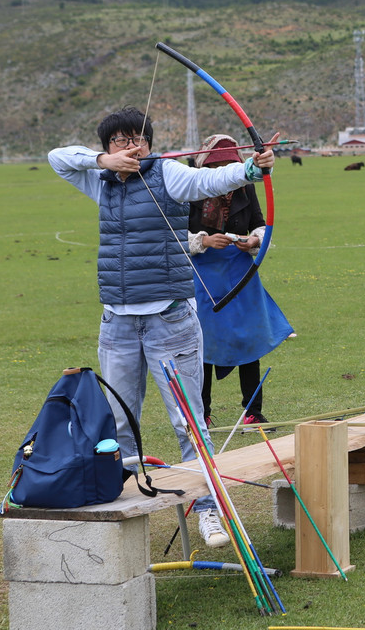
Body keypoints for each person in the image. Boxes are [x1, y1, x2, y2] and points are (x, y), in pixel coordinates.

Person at [48, 106, 276, 548]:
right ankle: (118, 510)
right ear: (107, 147)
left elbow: (211, 180)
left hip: (170, 319)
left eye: (138, 139)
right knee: (116, 420)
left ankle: (206, 507)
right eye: (119, 141)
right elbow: (58, 157)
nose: (130, 147)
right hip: (116, 321)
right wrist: (102, 162)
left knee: (188, 420)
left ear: (150, 144)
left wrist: (251, 167)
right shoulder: (100, 179)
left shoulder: (168, 175)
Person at [187, 134, 293, 429]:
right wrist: (204, 240)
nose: (223, 169)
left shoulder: (245, 187)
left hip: (240, 271)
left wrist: (255, 239)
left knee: (251, 339)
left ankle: (252, 411)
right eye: (216, 163)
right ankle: (202, 413)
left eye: (229, 163)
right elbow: (171, 233)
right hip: (204, 274)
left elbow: (260, 223)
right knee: (202, 344)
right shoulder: (189, 186)